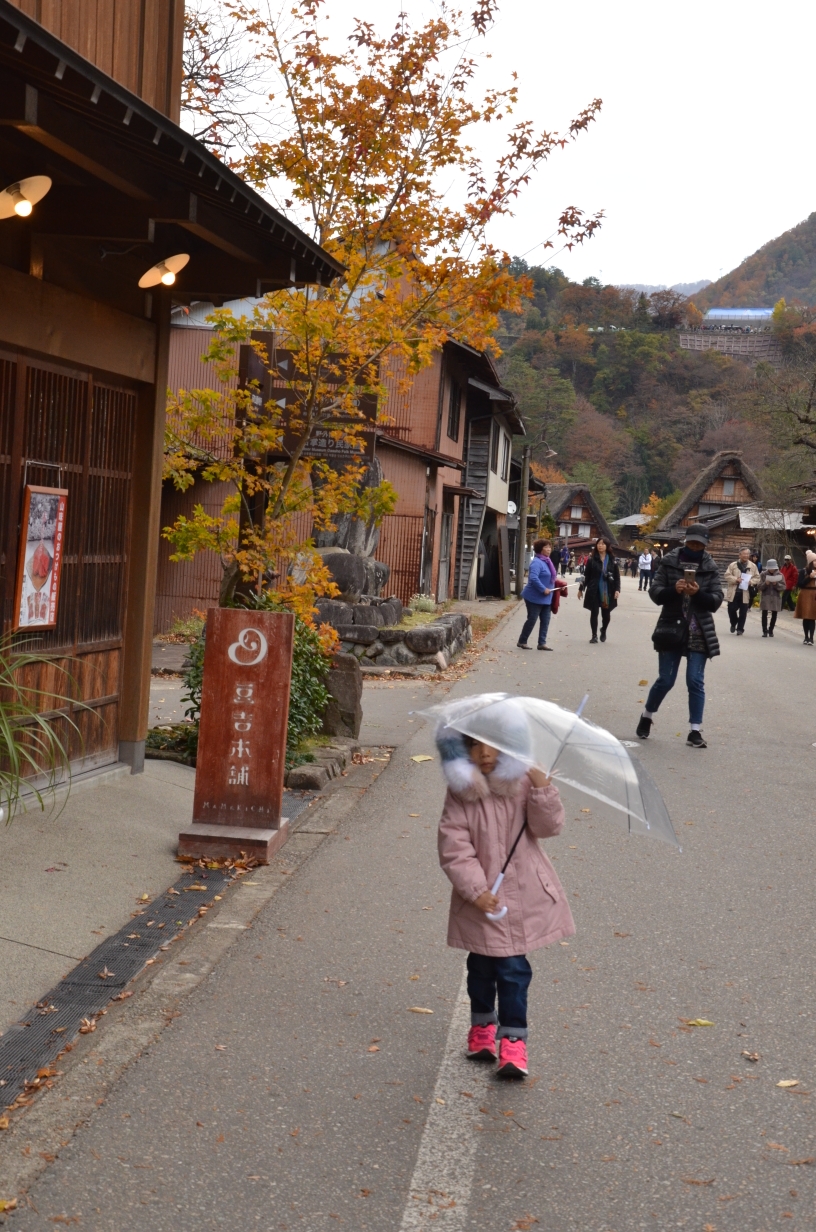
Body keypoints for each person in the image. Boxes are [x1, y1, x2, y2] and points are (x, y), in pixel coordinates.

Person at [436, 705, 574, 1078]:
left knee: (513, 970)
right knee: (480, 966)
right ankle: (482, 1024)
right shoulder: (461, 793)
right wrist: (476, 890)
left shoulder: (525, 782)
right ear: (459, 750)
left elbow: (548, 828)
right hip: (480, 901)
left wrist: (543, 787)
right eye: (473, 745)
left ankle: (514, 1040)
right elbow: (454, 847)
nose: (484, 753)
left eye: (493, 744)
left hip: (522, 896)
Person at [636, 523, 723, 749]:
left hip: (699, 629)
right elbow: (655, 593)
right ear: (685, 541)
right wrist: (673, 590)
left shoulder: (710, 566)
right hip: (671, 627)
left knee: (695, 681)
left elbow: (716, 600)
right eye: (692, 542)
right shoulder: (669, 562)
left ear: (705, 545)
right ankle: (647, 715)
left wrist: (698, 594)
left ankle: (695, 730)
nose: (695, 547)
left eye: (699, 544)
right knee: (666, 679)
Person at [517, 538, 557, 651]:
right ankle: (522, 641)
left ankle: (542, 643)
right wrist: (543, 589)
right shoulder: (536, 562)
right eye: (546, 547)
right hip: (533, 597)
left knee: (546, 620)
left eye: (550, 547)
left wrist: (560, 585)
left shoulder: (547, 562)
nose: (549, 549)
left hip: (547, 598)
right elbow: (533, 578)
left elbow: (550, 578)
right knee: (532, 619)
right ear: (540, 549)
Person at [578, 537, 621, 643]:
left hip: (608, 590)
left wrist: (617, 589)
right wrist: (581, 589)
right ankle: (594, 635)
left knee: (606, 615)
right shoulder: (592, 560)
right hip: (594, 589)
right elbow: (586, 576)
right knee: (594, 612)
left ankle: (603, 630)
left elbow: (617, 576)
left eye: (602, 544)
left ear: (607, 546)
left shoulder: (612, 560)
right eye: (598, 543)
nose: (600, 545)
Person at [724, 547, 759, 635]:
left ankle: (740, 629)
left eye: (747, 554)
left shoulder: (752, 566)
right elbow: (727, 575)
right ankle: (733, 622)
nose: (746, 556)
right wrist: (736, 579)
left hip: (745, 593)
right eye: (744, 554)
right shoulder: (733, 565)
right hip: (734, 592)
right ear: (740, 555)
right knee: (731, 610)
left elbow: (757, 577)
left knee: (743, 612)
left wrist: (751, 582)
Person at [758, 559, 785, 637]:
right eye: (770, 568)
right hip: (766, 596)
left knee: (774, 613)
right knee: (764, 613)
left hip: (776, 596)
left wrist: (776, 584)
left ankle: (771, 630)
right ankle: (764, 631)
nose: (772, 570)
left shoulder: (780, 575)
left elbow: (783, 587)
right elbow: (759, 586)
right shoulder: (763, 574)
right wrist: (765, 584)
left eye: (773, 568)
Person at [794, 551, 816, 646]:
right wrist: (809, 577)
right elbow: (800, 584)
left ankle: (811, 637)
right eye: (814, 560)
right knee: (806, 616)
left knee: (812, 617)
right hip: (806, 593)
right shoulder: (803, 571)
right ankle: (806, 636)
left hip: (814, 593)